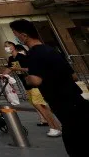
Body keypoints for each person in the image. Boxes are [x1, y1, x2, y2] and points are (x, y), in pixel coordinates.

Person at [9, 19, 86, 154]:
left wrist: (27, 79)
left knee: (74, 140)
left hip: (60, 100)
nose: (15, 37)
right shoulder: (51, 50)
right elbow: (73, 76)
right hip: (75, 97)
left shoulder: (33, 53)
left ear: (23, 35)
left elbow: (36, 81)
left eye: (15, 33)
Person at [2, 41, 60, 135]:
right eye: (5, 46)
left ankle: (54, 127)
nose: (6, 48)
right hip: (26, 84)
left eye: (8, 46)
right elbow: (9, 68)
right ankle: (55, 126)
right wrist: (2, 74)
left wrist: (17, 69)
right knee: (37, 104)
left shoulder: (22, 57)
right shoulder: (11, 59)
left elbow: (30, 68)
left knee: (40, 105)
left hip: (34, 83)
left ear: (13, 46)